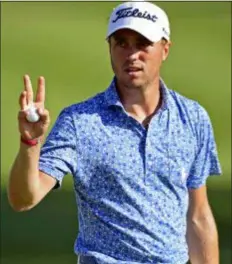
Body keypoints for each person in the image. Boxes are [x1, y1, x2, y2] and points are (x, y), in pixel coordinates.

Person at [8, 1, 222, 264]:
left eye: (143, 43)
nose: (131, 54)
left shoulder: (192, 117)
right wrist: (30, 141)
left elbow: (198, 215)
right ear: (110, 48)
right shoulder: (79, 121)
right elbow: (24, 198)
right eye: (121, 43)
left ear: (165, 49)